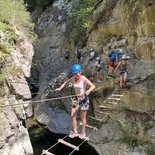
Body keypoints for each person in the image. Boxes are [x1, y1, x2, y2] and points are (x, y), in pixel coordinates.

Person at [56, 64, 95, 139]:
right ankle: (75, 132)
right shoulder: (73, 78)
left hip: (84, 99)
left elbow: (93, 86)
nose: (76, 75)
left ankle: (83, 132)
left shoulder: (84, 79)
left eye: (77, 73)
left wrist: (88, 91)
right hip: (76, 98)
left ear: (80, 72)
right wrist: (60, 88)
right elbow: (66, 82)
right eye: (74, 73)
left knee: (82, 117)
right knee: (72, 115)